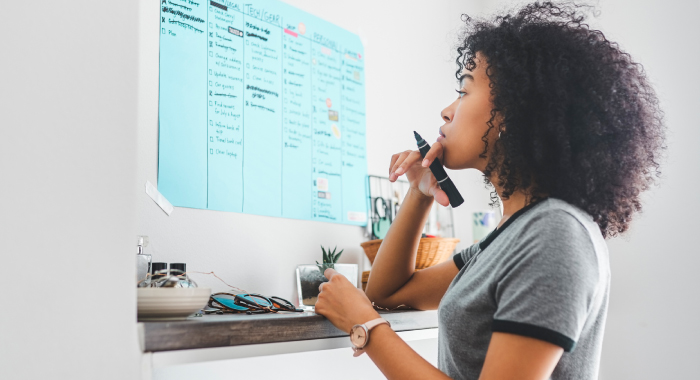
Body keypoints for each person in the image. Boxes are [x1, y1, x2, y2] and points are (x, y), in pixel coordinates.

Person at [314, 2, 665, 379]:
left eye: (463, 92)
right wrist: (422, 191)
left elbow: (373, 308)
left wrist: (364, 327)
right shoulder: (510, 236)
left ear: (514, 112)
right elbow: (389, 290)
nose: (446, 110)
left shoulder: (555, 235)